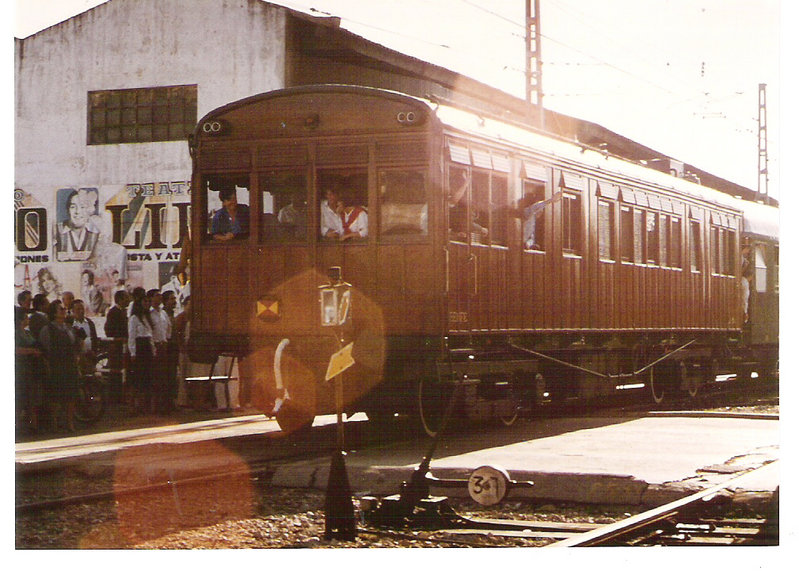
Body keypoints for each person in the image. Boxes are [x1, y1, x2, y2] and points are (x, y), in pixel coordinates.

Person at [38, 300, 79, 432]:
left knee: (71, 395)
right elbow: (45, 348)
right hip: (56, 365)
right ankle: (54, 423)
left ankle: (70, 422)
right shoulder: (47, 329)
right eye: (60, 309)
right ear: (54, 313)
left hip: (69, 364)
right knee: (56, 395)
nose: (64, 311)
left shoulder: (68, 328)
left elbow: (73, 344)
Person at [16, 311, 43, 433]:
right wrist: (31, 351)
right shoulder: (15, 334)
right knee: (19, 397)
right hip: (19, 368)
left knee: (32, 397)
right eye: (25, 317)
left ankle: (33, 425)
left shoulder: (27, 333)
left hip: (31, 368)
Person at [54, 189, 99, 261]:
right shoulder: (56, 231)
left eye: (82, 207)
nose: (78, 212)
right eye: (73, 207)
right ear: (68, 210)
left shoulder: (96, 233)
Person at [128, 293, 155, 414]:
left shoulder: (147, 318)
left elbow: (151, 336)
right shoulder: (134, 318)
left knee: (147, 379)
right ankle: (134, 405)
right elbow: (132, 336)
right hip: (139, 348)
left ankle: (145, 406)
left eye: (149, 302)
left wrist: (153, 350)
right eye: (145, 302)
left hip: (147, 348)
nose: (147, 304)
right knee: (137, 379)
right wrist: (133, 352)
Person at [104, 289, 130, 404]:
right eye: (126, 298)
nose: (129, 300)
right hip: (117, 346)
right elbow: (108, 329)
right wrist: (118, 339)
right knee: (115, 372)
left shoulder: (124, 312)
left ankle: (120, 396)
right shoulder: (113, 312)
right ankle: (114, 398)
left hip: (123, 346)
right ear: (120, 299)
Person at [71, 299, 98, 377]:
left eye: (82, 309)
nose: (81, 311)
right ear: (73, 310)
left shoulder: (90, 323)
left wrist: (94, 352)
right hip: (78, 358)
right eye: (78, 309)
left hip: (90, 356)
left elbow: (94, 338)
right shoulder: (70, 323)